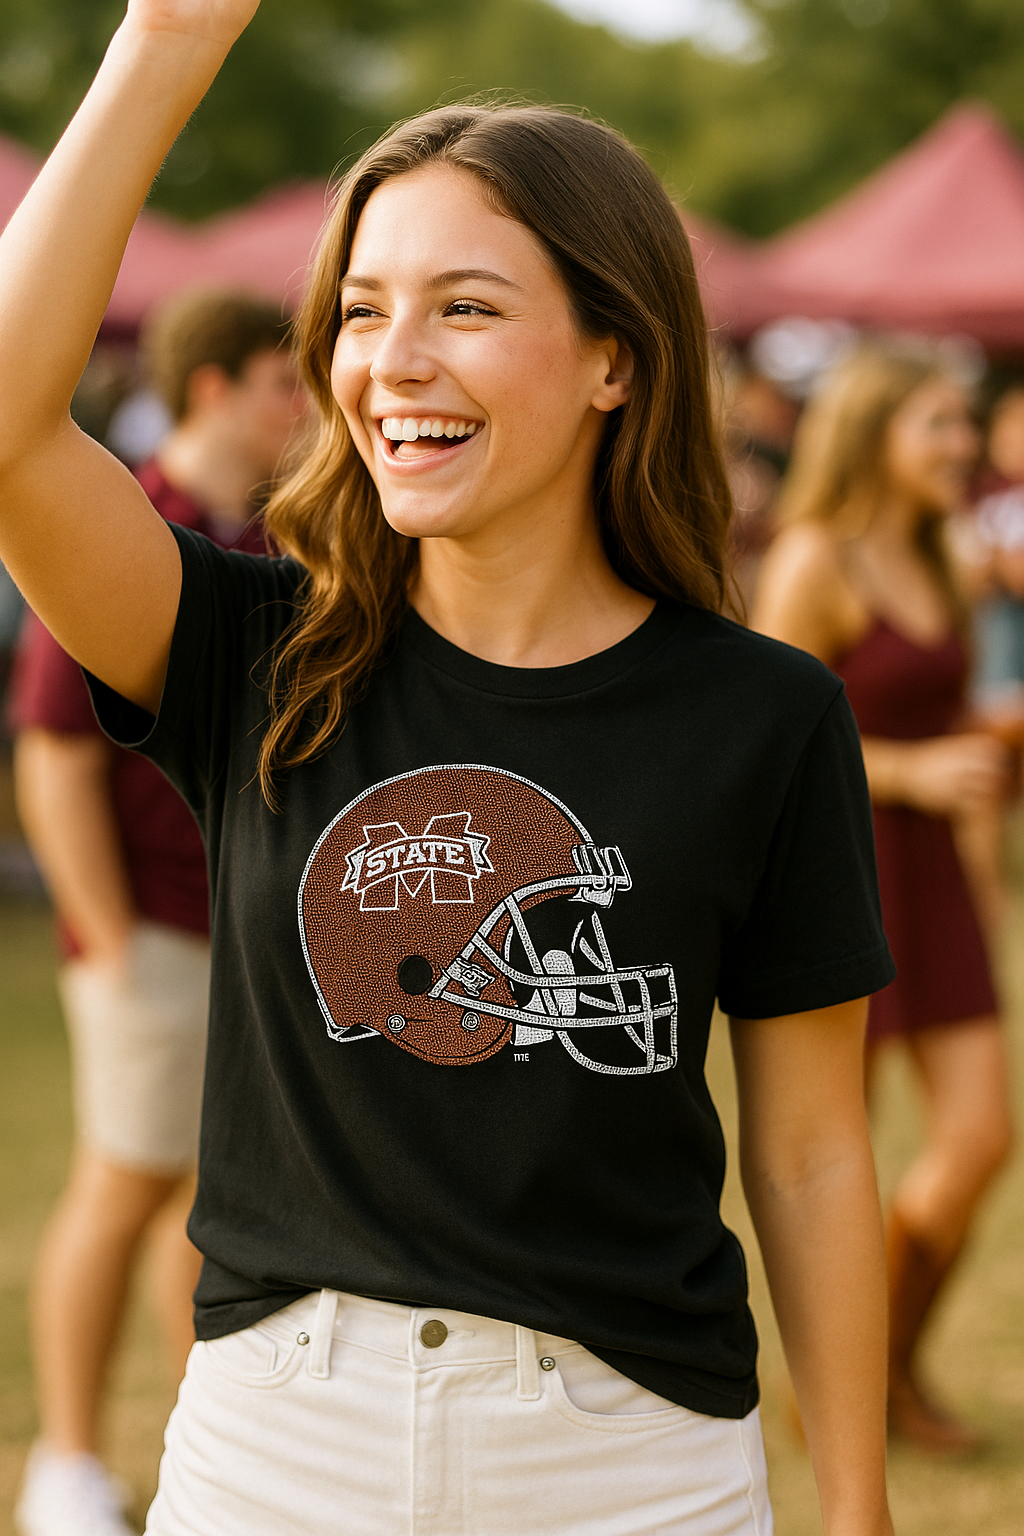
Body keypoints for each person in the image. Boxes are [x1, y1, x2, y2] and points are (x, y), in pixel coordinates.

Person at [0, 5, 898, 1533]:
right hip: (282, 1448)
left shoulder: (765, 713)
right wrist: (160, 47)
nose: (390, 364)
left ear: (617, 357)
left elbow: (811, 1155)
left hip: (634, 1461)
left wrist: (862, 1506)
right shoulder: (254, 648)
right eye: (358, 311)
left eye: (466, 308)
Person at [9, 288, 305, 1536]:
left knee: (208, 1198)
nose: (310, 405)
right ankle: (67, 1463)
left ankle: (202, 1449)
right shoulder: (128, 513)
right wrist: (113, 942)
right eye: (286, 381)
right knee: (122, 1187)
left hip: (238, 930)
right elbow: (52, 753)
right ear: (215, 388)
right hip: (155, 931)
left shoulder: (274, 532)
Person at [753, 344, 1014, 1455]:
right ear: (872, 432)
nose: (963, 447)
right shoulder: (814, 559)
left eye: (965, 425)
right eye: (938, 425)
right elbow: (757, 739)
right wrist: (908, 772)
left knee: (978, 1138)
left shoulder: (942, 554)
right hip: (838, 873)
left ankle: (885, 1364)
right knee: (833, 1157)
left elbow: (933, 714)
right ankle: (861, 1388)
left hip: (936, 876)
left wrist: (983, 745)